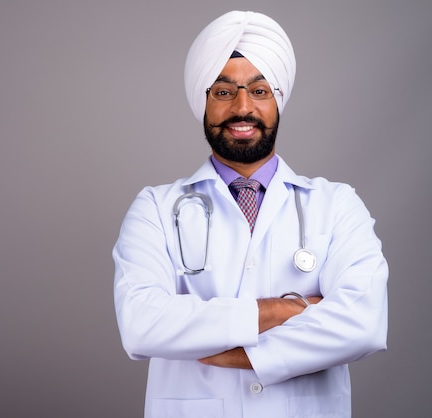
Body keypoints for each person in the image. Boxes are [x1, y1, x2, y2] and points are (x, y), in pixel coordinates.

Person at [112, 10, 388, 418]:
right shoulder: (155, 207)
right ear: (203, 101)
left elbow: (363, 324)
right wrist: (281, 309)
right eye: (224, 92)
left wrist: (244, 352)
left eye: (259, 91)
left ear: (278, 100)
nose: (243, 107)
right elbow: (142, 324)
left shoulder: (336, 204)